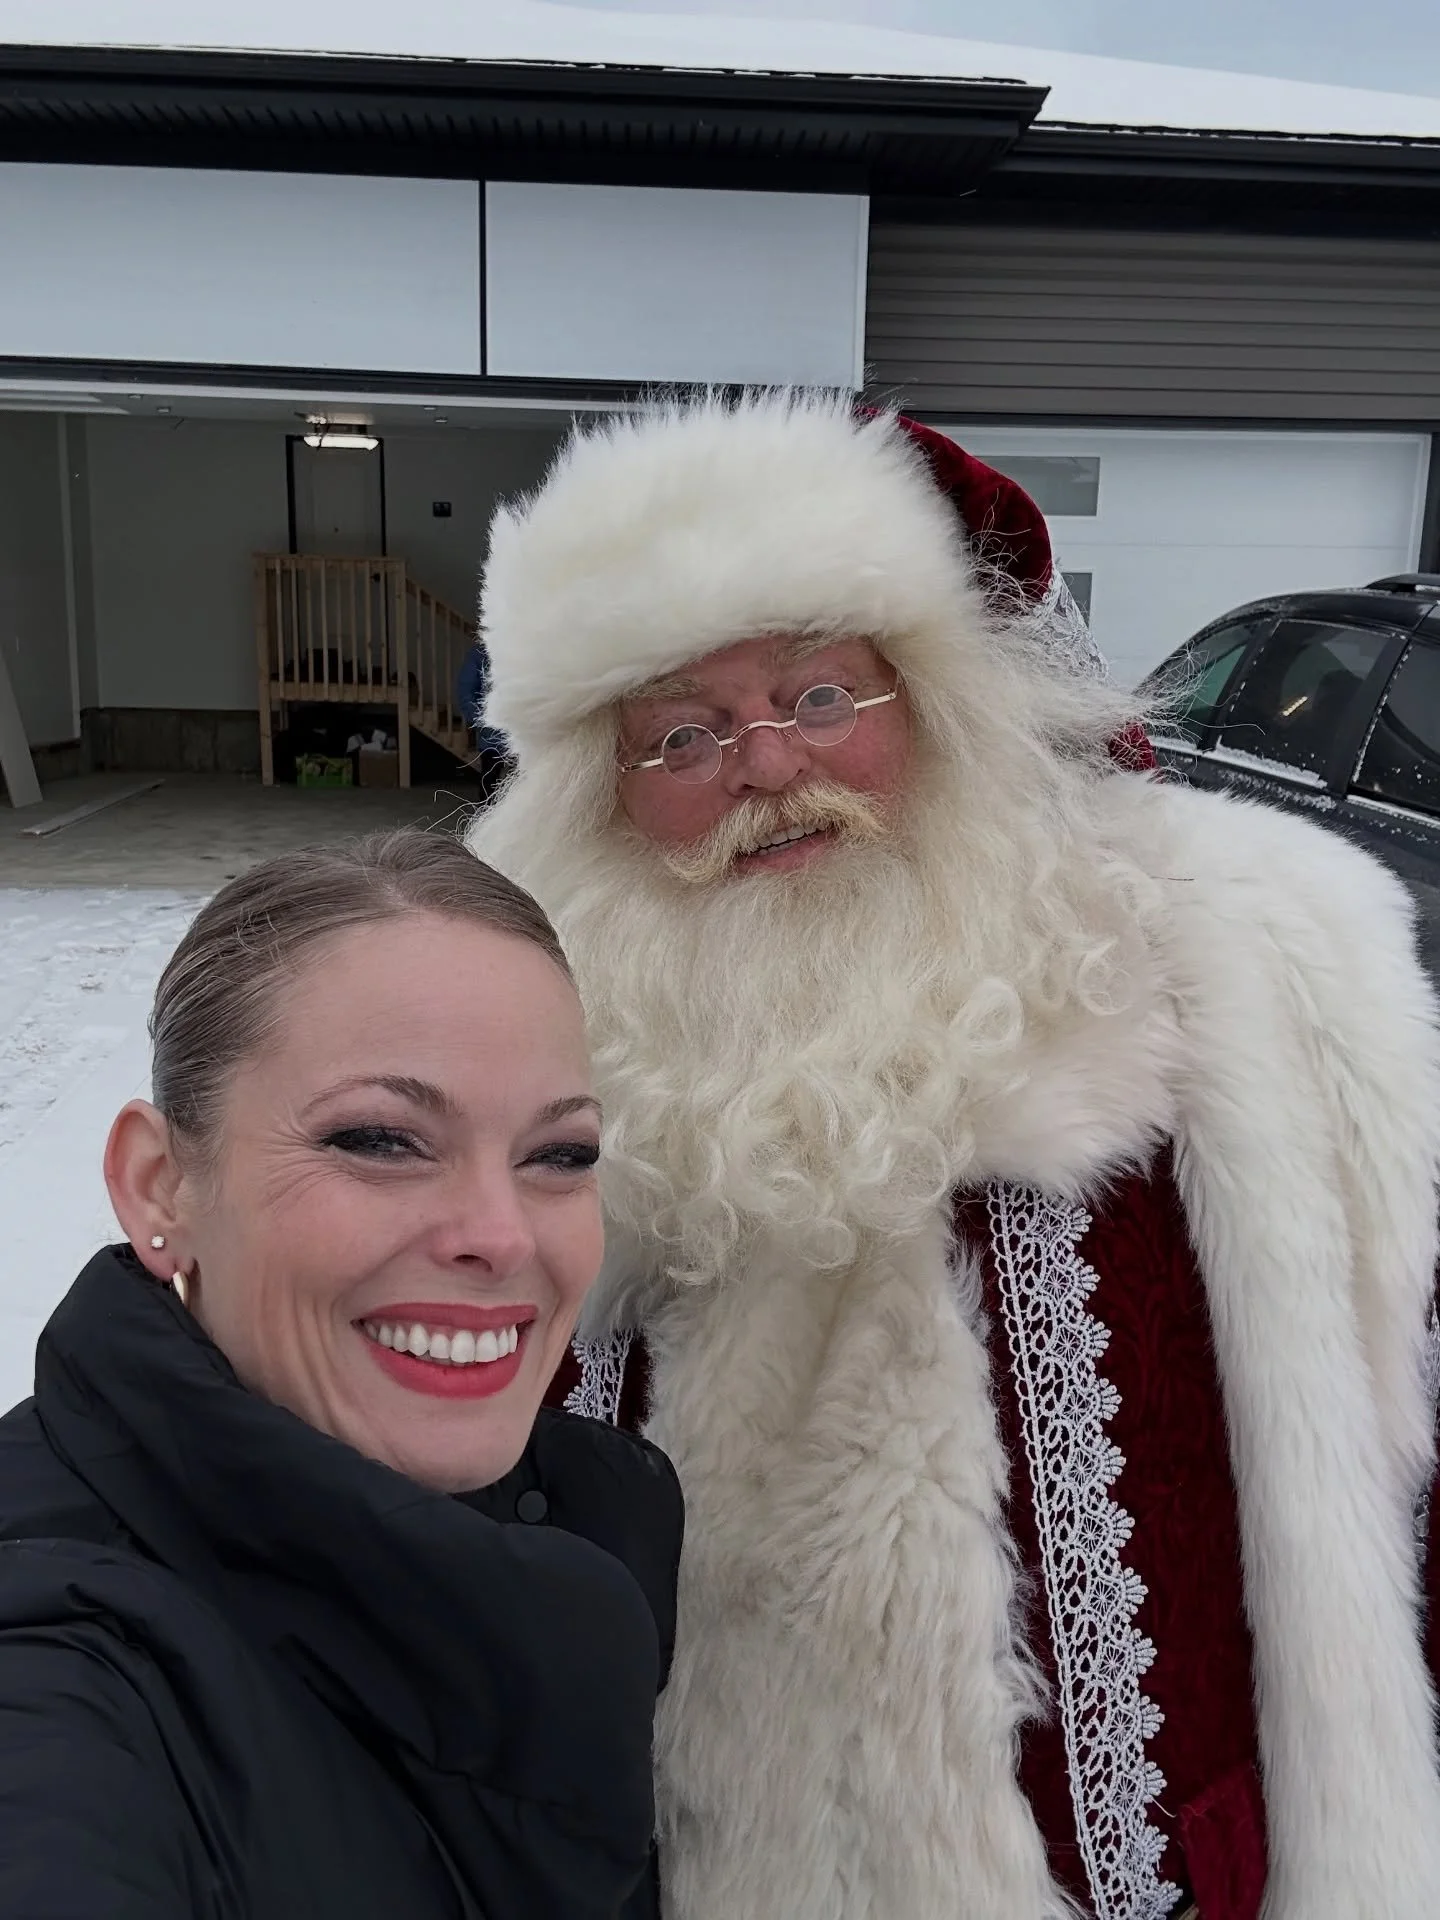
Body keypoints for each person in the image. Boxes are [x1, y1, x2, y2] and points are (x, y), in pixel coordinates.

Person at [468, 390, 1440, 1920]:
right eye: (683, 733)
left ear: (939, 694)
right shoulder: (529, 1049)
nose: (769, 771)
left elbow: (1405, 1426)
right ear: (599, 791)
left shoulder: (1232, 963)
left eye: (823, 696)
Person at [0, 829, 681, 1920]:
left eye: (560, 1155)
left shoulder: (580, 1520)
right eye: (381, 1139)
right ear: (161, 1184)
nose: (501, 1236)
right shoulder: (67, 1678)